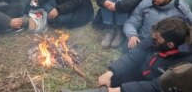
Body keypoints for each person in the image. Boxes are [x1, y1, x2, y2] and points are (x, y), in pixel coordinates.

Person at [62, 17, 192, 92]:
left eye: (157, 37)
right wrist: (111, 72)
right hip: (141, 75)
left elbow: (156, 86)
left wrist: (121, 90)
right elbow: (135, 54)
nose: (153, 38)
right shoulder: (158, 39)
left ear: (170, 44)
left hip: (155, 89)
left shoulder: (184, 66)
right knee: (111, 81)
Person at [124, 0, 192, 49]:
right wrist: (132, 35)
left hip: (164, 44)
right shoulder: (146, 2)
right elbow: (131, 22)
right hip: (143, 39)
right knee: (127, 47)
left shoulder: (181, 8)